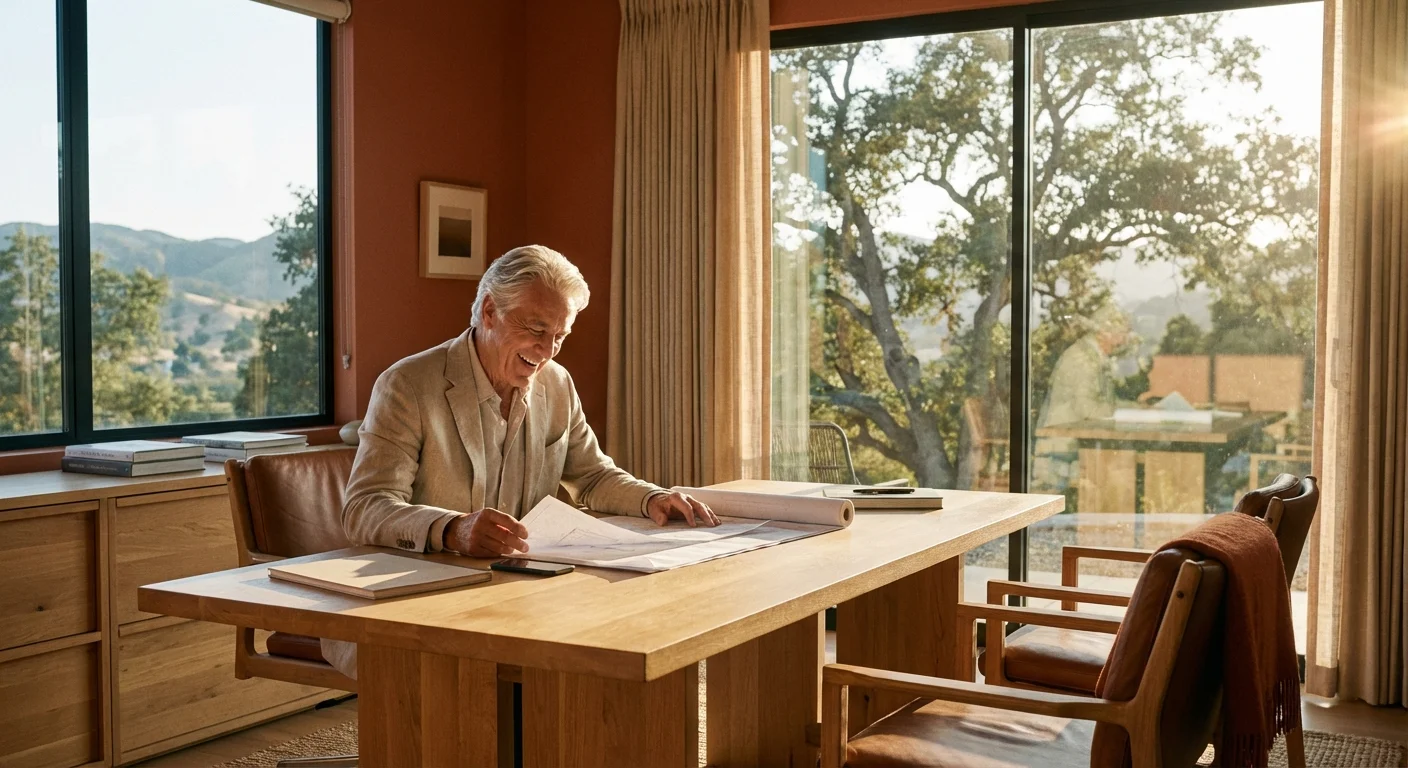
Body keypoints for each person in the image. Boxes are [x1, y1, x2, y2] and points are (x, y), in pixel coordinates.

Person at [323, 245, 717, 678]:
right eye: (536, 328)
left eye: (560, 337)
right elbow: (364, 508)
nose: (547, 350)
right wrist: (452, 530)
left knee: (624, 638)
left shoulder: (557, 384)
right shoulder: (407, 385)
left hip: (518, 591)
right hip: (413, 598)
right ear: (490, 311)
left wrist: (652, 498)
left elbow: (593, 474)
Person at [1032, 303, 1133, 494]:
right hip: (1061, 450)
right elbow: (1087, 409)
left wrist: (1134, 409)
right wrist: (1125, 413)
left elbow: (1103, 404)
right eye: (1123, 332)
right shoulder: (1082, 359)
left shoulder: (1094, 357)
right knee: (1112, 481)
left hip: (1075, 445)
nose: (1126, 339)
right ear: (1104, 332)